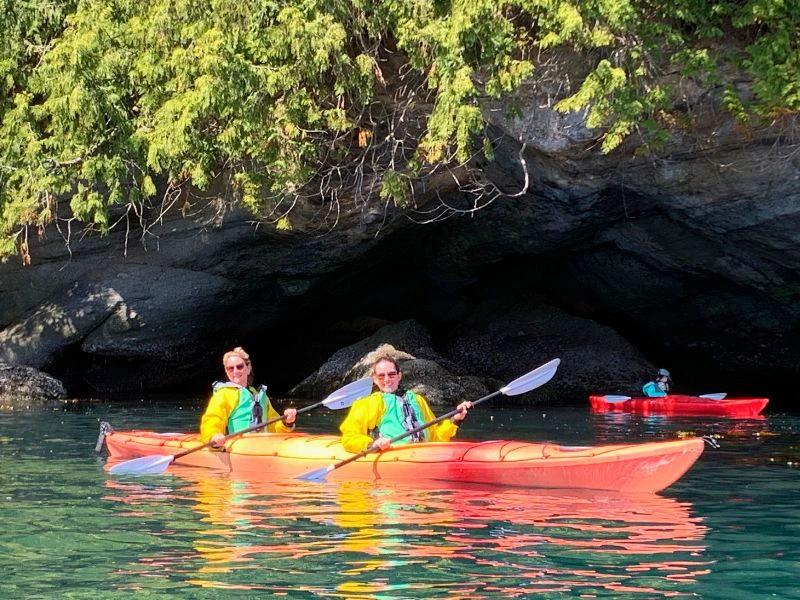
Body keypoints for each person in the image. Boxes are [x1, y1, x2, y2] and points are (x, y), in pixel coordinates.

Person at [339, 355, 472, 453]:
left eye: (391, 375)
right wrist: (371, 444)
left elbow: (435, 436)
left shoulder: (417, 399)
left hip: (423, 453)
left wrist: (456, 419)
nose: (387, 380)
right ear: (374, 378)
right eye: (381, 376)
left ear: (399, 375)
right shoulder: (369, 403)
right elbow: (349, 437)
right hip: (392, 455)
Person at [200, 347, 297, 446]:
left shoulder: (259, 396)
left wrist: (287, 422)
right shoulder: (224, 394)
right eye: (231, 368)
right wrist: (214, 435)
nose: (235, 371)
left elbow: (274, 425)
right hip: (238, 447)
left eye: (239, 366)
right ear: (226, 371)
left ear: (248, 368)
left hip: (262, 444)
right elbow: (213, 418)